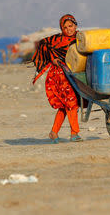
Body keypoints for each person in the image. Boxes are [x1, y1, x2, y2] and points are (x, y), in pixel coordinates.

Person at [31, 14, 82, 143]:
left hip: (73, 74)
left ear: (75, 25)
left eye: (70, 26)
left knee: (65, 106)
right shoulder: (56, 39)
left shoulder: (81, 38)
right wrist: (51, 57)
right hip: (59, 75)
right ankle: (74, 133)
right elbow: (43, 43)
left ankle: (54, 132)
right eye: (65, 27)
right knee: (71, 102)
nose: (68, 29)